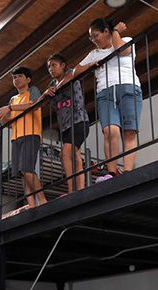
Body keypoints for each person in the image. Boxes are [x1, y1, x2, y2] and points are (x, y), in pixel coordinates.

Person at [57, 19, 143, 182]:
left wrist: (116, 31)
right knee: (110, 131)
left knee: (129, 132)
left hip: (129, 88)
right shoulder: (94, 54)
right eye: (91, 38)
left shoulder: (126, 40)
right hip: (105, 92)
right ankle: (112, 172)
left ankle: (128, 171)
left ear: (106, 31)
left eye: (95, 35)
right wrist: (90, 65)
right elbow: (76, 71)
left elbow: (121, 50)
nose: (94, 40)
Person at [0, 67, 47, 210]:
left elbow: (35, 105)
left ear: (28, 79)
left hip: (31, 133)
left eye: (19, 76)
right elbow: (11, 123)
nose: (16, 79)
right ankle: (31, 204)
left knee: (26, 168)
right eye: (14, 77)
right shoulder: (13, 99)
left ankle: (42, 200)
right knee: (23, 173)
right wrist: (3, 118)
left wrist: (10, 108)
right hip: (16, 136)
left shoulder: (33, 91)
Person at [43, 54, 89, 194]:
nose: (51, 69)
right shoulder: (51, 85)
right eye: (49, 67)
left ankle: (71, 190)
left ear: (62, 65)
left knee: (64, 154)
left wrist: (51, 91)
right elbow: (43, 100)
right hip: (65, 127)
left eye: (54, 65)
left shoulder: (70, 73)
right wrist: (45, 94)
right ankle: (80, 189)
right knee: (75, 156)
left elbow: (69, 78)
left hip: (79, 120)